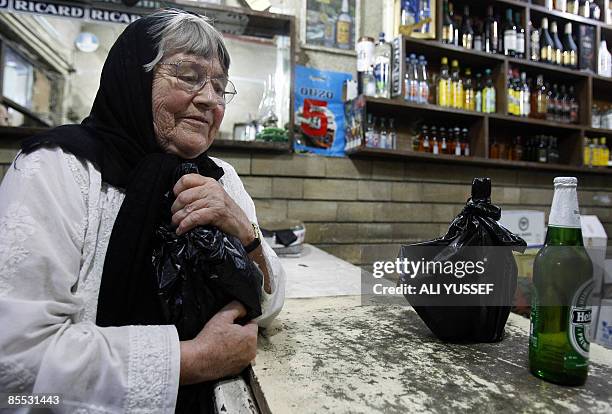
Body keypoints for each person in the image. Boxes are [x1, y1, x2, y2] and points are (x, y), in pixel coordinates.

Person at [0, 9, 285, 413]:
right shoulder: (58, 169)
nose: (208, 99)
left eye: (220, 86)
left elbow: (270, 305)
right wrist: (192, 360)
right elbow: (12, 367)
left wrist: (245, 232)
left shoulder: (219, 178)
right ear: (135, 78)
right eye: (188, 76)